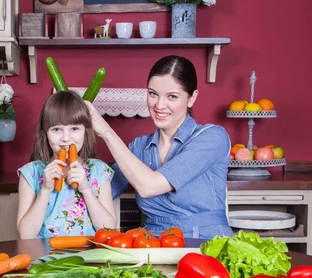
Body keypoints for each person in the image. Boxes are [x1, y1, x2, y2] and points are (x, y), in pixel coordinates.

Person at [85, 55, 233, 239]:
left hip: (208, 245)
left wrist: (106, 132)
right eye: (153, 93)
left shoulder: (212, 137)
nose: (159, 105)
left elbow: (149, 186)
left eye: (172, 96)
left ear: (191, 98)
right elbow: (99, 187)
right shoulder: (139, 147)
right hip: (152, 247)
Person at [17, 90, 116, 239]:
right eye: (56, 129)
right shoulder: (31, 173)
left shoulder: (98, 170)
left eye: (74, 129)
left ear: (85, 131)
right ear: (45, 133)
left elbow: (109, 229)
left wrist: (86, 190)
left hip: (89, 257)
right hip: (45, 257)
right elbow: (26, 235)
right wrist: (45, 190)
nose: (66, 138)